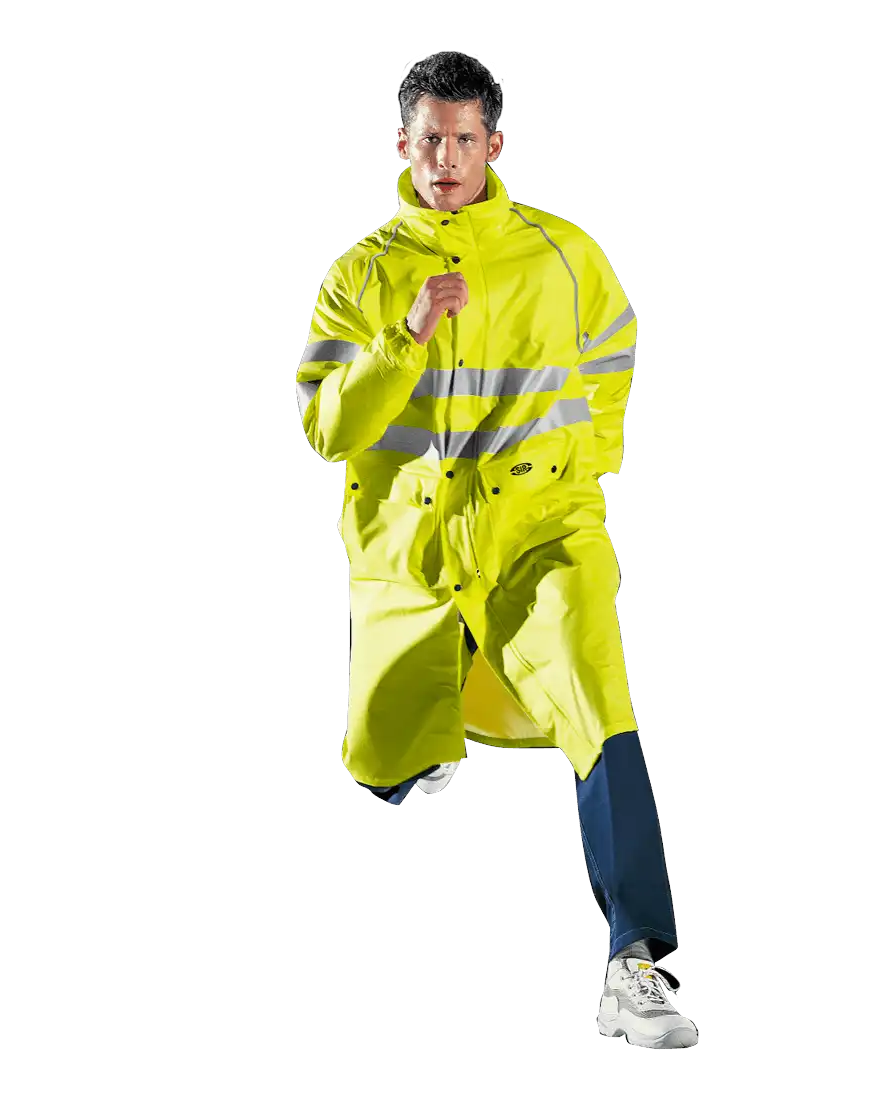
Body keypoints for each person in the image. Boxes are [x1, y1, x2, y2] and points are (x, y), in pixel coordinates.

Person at [295, 50, 697, 1050]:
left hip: (540, 533)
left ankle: (637, 961)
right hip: (412, 553)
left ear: (495, 144)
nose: (446, 158)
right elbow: (329, 428)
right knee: (383, 754)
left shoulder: (562, 253)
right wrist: (404, 335)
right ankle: (420, 748)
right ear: (401, 145)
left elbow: (611, 352)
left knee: (601, 704)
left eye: (465, 139)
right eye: (429, 139)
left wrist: (583, 467)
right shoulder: (359, 275)